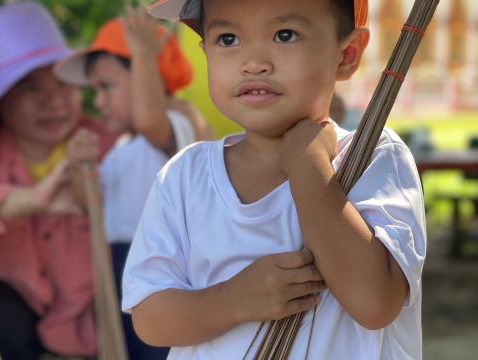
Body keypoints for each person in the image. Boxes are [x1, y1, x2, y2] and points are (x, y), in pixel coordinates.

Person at [123, 0, 426, 359]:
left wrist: (309, 167)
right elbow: (150, 319)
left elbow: (375, 303)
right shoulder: (184, 177)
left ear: (347, 54)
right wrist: (233, 301)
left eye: (285, 35)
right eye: (228, 39)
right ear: (205, 52)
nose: (254, 63)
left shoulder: (374, 158)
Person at [56, 8, 213, 360]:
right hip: (122, 271)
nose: (97, 102)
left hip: (168, 276)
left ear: (151, 75)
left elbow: (150, 119)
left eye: (106, 87)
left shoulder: (175, 122)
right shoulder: (121, 148)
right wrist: (82, 167)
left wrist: (143, 53)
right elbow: (91, 203)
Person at [0, 2, 115, 359]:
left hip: (102, 325)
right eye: (31, 88)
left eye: (64, 82)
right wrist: (32, 199)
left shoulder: (105, 144)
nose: (55, 101)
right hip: (22, 324)